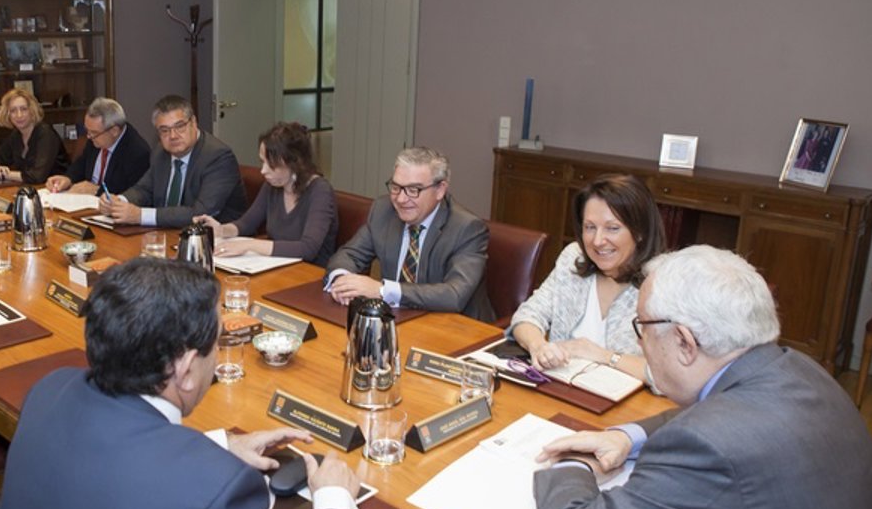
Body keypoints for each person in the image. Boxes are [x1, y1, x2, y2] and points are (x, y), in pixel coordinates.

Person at [0, 258, 383, 509]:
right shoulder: (209, 491)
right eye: (217, 343)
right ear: (185, 369)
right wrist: (334, 498)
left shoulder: (51, 389)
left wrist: (219, 446)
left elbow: (114, 462)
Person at [533, 245, 872, 509]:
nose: (639, 341)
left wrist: (572, 464)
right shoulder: (799, 369)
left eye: (642, 327)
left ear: (685, 342)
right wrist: (627, 436)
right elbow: (718, 413)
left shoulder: (709, 445)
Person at [507, 174, 664, 382]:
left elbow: (668, 375)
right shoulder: (574, 258)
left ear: (640, 231)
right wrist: (539, 346)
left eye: (612, 228)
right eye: (590, 227)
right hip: (560, 388)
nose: (597, 241)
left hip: (622, 398)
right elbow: (526, 316)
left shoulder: (663, 284)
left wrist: (603, 356)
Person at [325, 147, 493, 321]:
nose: (401, 199)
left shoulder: (467, 228)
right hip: (398, 320)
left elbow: (454, 294)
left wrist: (382, 290)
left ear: (440, 190)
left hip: (457, 326)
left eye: (413, 190)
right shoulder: (384, 210)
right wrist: (343, 281)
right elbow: (350, 254)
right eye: (396, 187)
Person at [196, 121, 338, 266]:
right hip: (279, 265)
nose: (263, 171)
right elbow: (247, 224)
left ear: (294, 163)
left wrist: (249, 245)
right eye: (262, 162)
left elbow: (308, 249)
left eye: (271, 164)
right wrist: (221, 230)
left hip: (309, 271)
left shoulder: (320, 191)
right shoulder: (273, 185)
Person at [99, 95, 246, 228]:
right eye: (164, 130)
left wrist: (140, 215)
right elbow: (144, 189)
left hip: (215, 240)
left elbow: (201, 213)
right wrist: (118, 202)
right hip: (169, 233)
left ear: (194, 123)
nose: (173, 136)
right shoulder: (160, 152)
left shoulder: (218, 157)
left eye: (180, 126)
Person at [44, 96, 150, 195]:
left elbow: (134, 193)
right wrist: (68, 178)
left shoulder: (138, 153)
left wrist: (97, 190)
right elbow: (82, 164)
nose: (88, 136)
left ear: (114, 131)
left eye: (93, 133)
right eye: (87, 130)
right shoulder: (97, 137)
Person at [0, 89, 67, 185]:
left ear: (32, 111)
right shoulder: (16, 135)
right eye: (13, 111)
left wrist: (3, 175)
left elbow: (37, 177)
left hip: (57, 189)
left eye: (24, 109)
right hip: (33, 188)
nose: (19, 115)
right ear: (7, 114)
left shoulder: (46, 134)